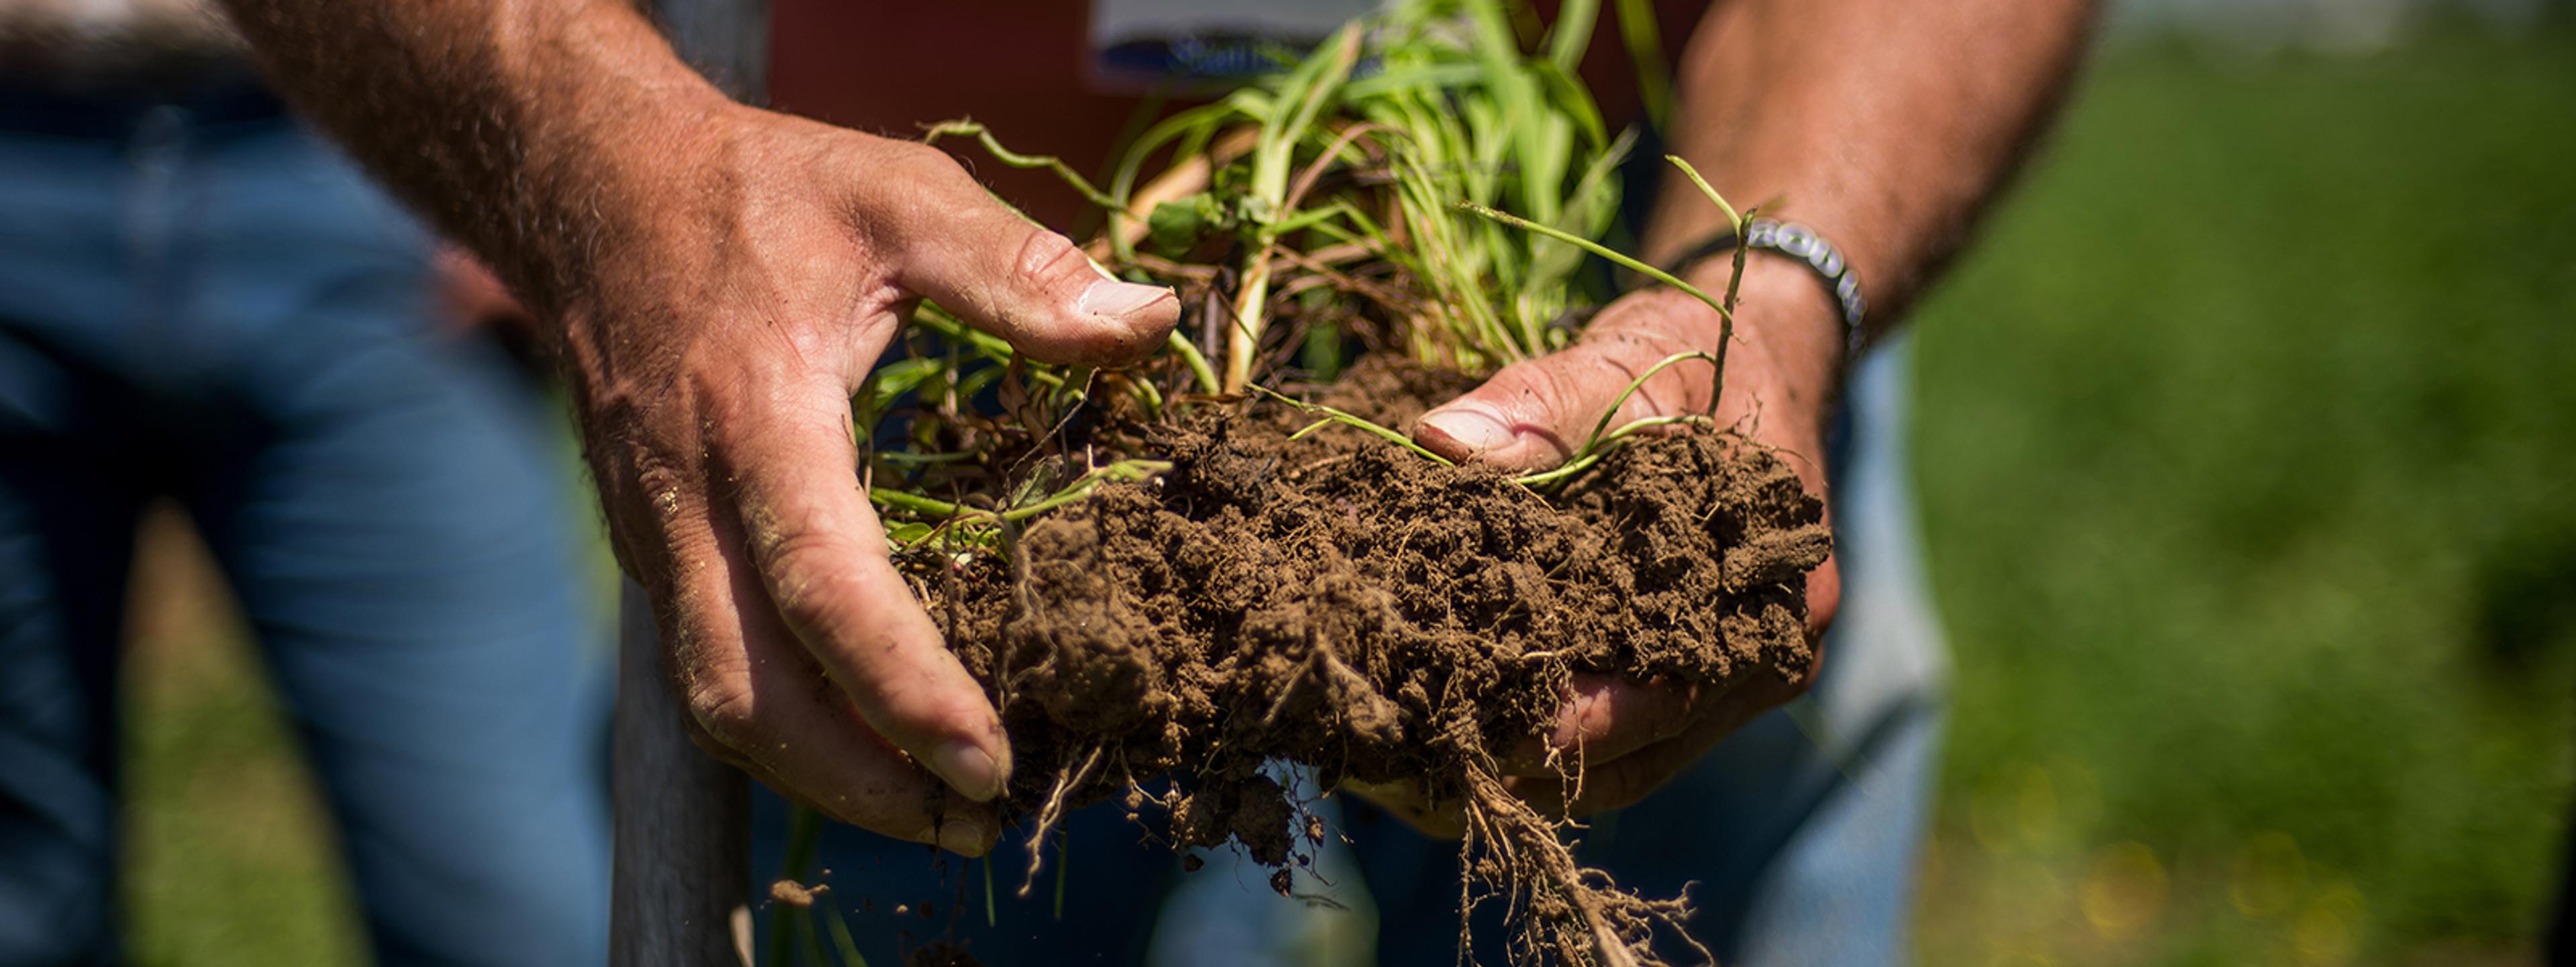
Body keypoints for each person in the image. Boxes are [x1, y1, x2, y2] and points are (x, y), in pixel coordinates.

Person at [207, 0, 2096, 962]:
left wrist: (1771, 290)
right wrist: (598, 170)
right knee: (894, 861)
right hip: (875, 299)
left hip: (1639, 276)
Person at [0, 1, 610, 963]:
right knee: (22, 905)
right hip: (17, 147)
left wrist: (572, 150)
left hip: (366, 154)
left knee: (512, 903)